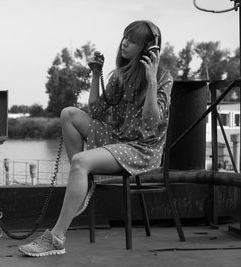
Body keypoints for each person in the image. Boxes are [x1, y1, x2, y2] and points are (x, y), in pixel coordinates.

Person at [18, 20, 173, 257]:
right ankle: (84, 180)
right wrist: (96, 74)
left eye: (132, 40)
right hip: (119, 138)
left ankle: (57, 238)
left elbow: (151, 123)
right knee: (68, 114)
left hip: (142, 149)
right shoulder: (121, 76)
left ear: (147, 49)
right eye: (124, 37)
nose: (124, 43)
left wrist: (151, 81)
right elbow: (97, 111)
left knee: (80, 161)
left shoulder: (162, 78)